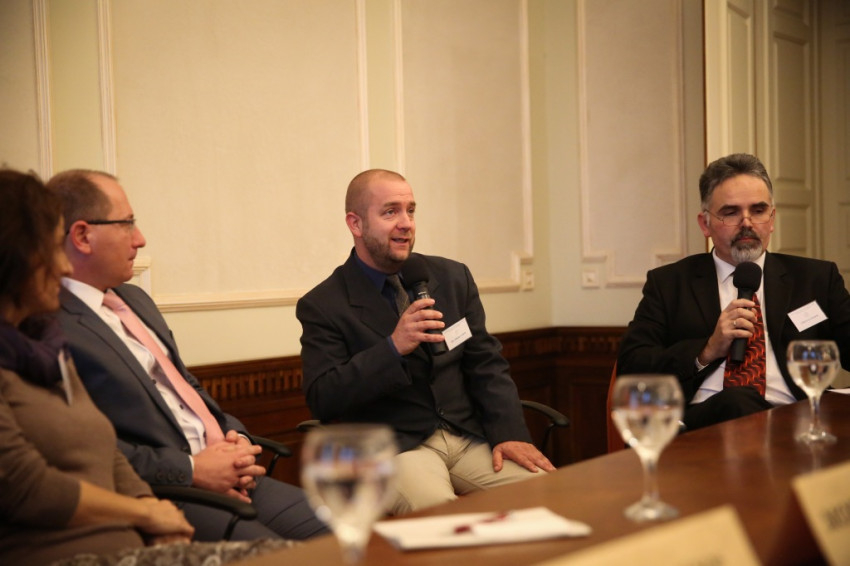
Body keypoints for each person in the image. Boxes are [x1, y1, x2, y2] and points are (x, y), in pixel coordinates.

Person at [0, 169, 295, 566]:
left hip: (168, 504)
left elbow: (127, 433)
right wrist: (157, 503)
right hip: (111, 525)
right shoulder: (58, 329)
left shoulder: (46, 343)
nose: (63, 267)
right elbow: (28, 486)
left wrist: (235, 441)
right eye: (52, 247)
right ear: (15, 257)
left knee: (347, 538)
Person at [296, 169, 554, 515]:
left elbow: (486, 364)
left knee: (549, 494)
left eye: (411, 210)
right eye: (390, 212)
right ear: (355, 224)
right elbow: (323, 397)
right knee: (443, 518)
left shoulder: (451, 277)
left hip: (467, 435)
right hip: (397, 448)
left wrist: (510, 433)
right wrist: (392, 348)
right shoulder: (324, 304)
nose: (406, 223)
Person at [617, 153, 850, 430]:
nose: (747, 222)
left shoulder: (815, 278)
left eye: (758, 210)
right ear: (705, 224)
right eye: (731, 212)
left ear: (772, 219)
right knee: (738, 401)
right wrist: (706, 350)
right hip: (705, 425)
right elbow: (632, 366)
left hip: (797, 422)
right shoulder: (670, 283)